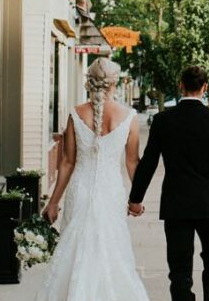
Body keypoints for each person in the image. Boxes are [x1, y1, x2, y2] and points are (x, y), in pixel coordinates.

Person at [35, 58, 150, 300]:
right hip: (111, 193)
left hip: (81, 190)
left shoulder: (75, 114)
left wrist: (54, 201)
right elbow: (132, 162)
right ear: (114, 82)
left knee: (76, 250)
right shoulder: (129, 116)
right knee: (111, 250)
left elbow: (67, 162)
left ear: (90, 82)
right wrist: (136, 198)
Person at [129, 66, 209, 301]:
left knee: (179, 267)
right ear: (205, 88)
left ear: (180, 85)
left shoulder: (163, 121)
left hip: (176, 203)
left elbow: (149, 162)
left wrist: (135, 199)